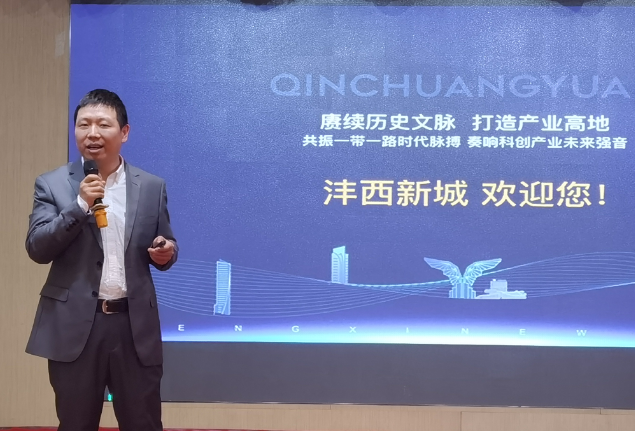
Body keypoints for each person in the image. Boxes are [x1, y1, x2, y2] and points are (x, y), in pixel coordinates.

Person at [25, 89, 178, 431]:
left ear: (124, 132)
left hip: (133, 327)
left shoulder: (151, 186)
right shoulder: (51, 184)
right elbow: (37, 248)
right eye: (84, 125)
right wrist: (80, 206)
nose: (92, 133)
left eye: (103, 124)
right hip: (76, 326)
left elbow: (166, 243)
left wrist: (165, 251)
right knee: (76, 424)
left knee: (143, 423)